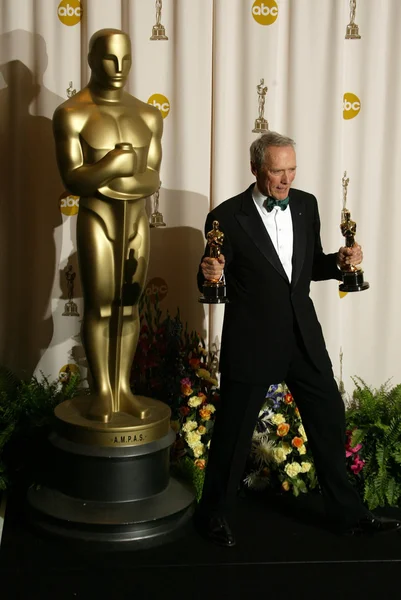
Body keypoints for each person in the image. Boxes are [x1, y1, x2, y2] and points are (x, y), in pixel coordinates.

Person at [195, 131, 400, 546]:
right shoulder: (225, 217)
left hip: (303, 338)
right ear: (255, 169)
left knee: (328, 422)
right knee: (233, 435)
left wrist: (339, 263)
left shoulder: (306, 205)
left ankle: (349, 515)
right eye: (277, 171)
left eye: (291, 170)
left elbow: (303, 270)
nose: (286, 179)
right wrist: (209, 274)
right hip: (252, 341)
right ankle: (213, 515)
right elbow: (211, 271)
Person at [53, 29, 163, 423]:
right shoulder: (72, 113)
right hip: (96, 218)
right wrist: (113, 166)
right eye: (108, 59)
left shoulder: (148, 114)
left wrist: (108, 176)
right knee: (100, 306)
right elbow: (72, 179)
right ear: (90, 59)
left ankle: (124, 389)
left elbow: (152, 178)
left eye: (125, 60)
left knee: (129, 307)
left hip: (135, 221)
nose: (118, 69)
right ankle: (102, 390)